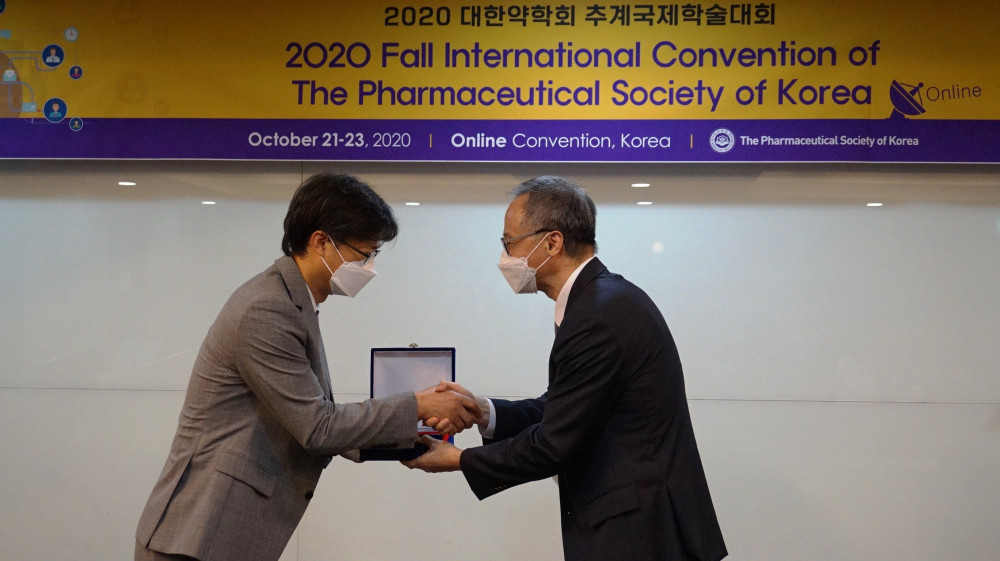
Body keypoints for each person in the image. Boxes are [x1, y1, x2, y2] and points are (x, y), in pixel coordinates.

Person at [135, 172, 481, 561]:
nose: (369, 266)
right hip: (198, 534)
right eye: (364, 254)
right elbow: (317, 427)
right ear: (321, 242)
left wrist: (414, 439)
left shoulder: (293, 301)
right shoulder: (267, 308)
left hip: (218, 533)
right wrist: (418, 405)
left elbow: (312, 417)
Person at [406, 176, 728, 561]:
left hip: (641, 533)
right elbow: (565, 406)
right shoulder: (601, 300)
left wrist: (459, 459)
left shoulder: (598, 314)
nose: (505, 256)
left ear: (552, 243)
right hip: (638, 524)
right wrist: (483, 412)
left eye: (509, 243)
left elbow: (553, 444)